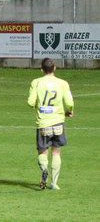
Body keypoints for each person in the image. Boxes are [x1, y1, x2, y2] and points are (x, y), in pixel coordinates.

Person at [27, 58, 74, 190]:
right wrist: (69, 111)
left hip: (43, 123)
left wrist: (38, 105)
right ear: (55, 68)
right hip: (58, 122)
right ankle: (54, 183)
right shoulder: (63, 83)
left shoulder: (36, 82)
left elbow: (30, 102)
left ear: (41, 69)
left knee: (43, 152)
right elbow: (69, 102)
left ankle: (44, 170)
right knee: (56, 152)